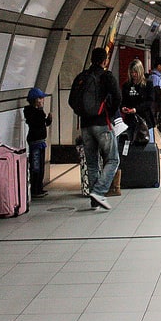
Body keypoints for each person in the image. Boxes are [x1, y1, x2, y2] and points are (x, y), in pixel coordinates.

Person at [69, 47, 122, 210]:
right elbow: (118, 97)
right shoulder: (106, 76)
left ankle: (94, 201)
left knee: (92, 163)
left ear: (91, 59)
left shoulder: (82, 77)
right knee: (113, 159)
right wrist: (110, 113)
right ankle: (99, 192)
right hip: (102, 124)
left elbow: (71, 101)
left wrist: (84, 113)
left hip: (85, 126)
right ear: (105, 61)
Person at [23, 87, 52, 198]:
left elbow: (43, 124)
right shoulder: (31, 112)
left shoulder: (38, 112)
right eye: (40, 98)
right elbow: (37, 123)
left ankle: (39, 187)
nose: (42, 100)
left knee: (40, 166)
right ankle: (35, 189)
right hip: (35, 142)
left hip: (41, 142)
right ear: (35, 100)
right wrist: (40, 111)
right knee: (36, 167)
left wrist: (48, 120)